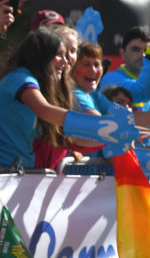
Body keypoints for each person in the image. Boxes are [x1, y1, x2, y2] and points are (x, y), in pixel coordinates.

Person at [0, 28, 138, 170]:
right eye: (60, 55)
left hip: (22, 176)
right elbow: (45, 110)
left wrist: (112, 136)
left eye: (67, 55)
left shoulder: (45, 87)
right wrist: (110, 128)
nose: (66, 63)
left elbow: (73, 140)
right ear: (42, 54)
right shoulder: (19, 77)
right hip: (6, 175)